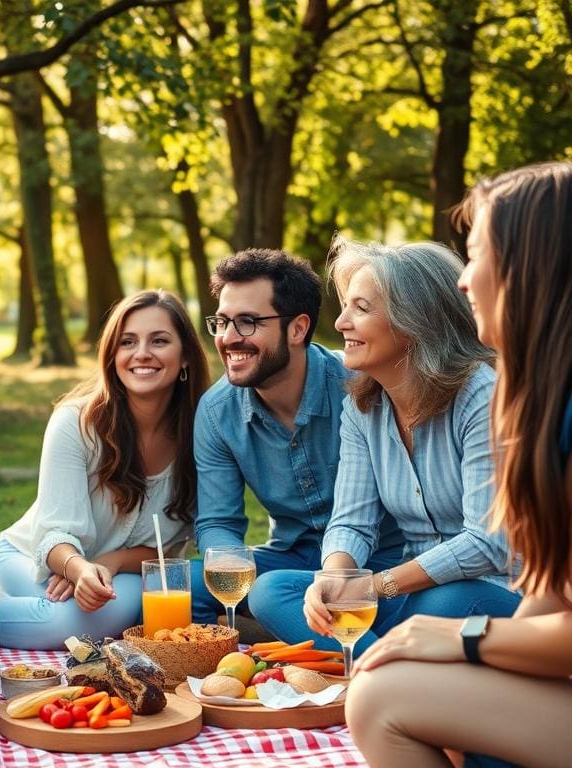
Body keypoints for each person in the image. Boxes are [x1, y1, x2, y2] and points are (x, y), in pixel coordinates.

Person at [346, 162, 572, 768]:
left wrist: (463, 637)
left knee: (382, 695)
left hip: (465, 593)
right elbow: (549, 599)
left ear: (531, 267)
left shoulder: (495, 397)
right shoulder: (540, 404)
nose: (463, 282)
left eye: (475, 257)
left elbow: (488, 554)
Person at [249, 237, 521, 655]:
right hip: (407, 595)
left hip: (488, 592)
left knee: (445, 602)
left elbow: (488, 544)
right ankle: (375, 669)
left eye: (361, 308)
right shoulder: (363, 407)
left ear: (414, 323)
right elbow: (352, 523)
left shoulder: (482, 397)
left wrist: (376, 586)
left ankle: (372, 666)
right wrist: (334, 579)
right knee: (273, 589)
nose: (340, 324)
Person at [192, 249, 404, 626]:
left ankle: (291, 628)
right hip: (291, 556)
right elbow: (217, 521)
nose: (227, 338)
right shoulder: (216, 411)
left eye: (247, 322)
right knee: (178, 585)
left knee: (270, 594)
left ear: (297, 329)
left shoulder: (361, 387)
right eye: (222, 322)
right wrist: (228, 572)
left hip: (378, 559)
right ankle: (287, 621)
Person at [0, 289, 210, 648]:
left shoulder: (202, 436)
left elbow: (168, 551)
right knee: (62, 623)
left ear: (185, 355)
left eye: (159, 340)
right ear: (112, 354)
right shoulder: (75, 423)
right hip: (33, 557)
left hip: (119, 570)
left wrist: (111, 561)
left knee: (113, 614)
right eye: (127, 342)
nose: (142, 354)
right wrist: (77, 567)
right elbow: (53, 534)